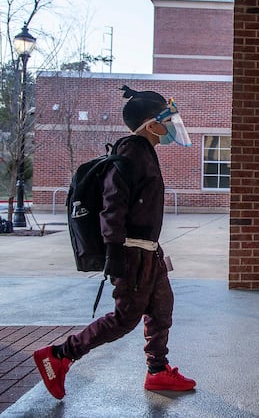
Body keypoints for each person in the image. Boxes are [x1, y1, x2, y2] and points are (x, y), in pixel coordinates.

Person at [33, 85, 195, 399]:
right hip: (131, 252)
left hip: (149, 252)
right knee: (124, 319)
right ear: (151, 124)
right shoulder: (131, 154)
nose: (170, 126)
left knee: (162, 309)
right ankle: (60, 355)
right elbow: (112, 206)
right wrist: (114, 251)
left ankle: (157, 371)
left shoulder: (145, 152)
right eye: (166, 119)